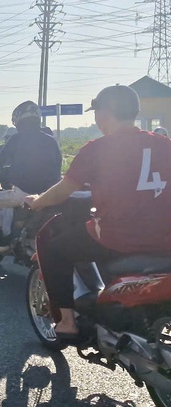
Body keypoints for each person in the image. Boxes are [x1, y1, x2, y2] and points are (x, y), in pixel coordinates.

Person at [25, 85, 171, 341]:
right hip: (165, 241)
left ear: (104, 113)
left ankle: (67, 322)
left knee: (53, 246)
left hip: (117, 239)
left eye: (97, 113)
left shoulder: (97, 149)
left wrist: (36, 202)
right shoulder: (164, 144)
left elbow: (62, 192)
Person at [0, 101, 62, 253]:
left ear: (18, 119)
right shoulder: (51, 141)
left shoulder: (16, 139)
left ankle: (1, 240)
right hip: (49, 194)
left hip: (23, 193)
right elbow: (58, 166)